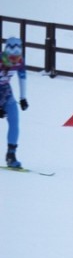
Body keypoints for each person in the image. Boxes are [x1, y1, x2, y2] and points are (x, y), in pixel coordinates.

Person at [1, 37, 28, 168]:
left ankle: (11, 155)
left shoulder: (20, 61)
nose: (14, 61)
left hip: (6, 91)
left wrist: (23, 98)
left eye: (17, 57)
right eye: (12, 57)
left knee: (14, 120)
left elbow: (22, 77)